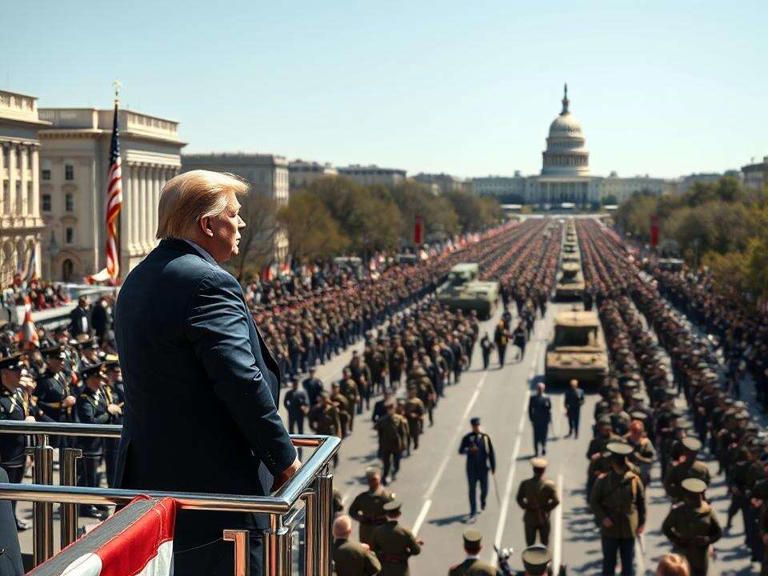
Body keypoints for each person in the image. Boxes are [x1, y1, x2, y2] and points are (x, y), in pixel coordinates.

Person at [114, 170, 300, 576]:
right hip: (212, 490)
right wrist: (284, 459)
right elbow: (241, 379)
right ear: (208, 224)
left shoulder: (138, 277)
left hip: (148, 480)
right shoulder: (208, 282)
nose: (242, 223)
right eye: (234, 214)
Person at [0, 353, 53, 530]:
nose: (19, 374)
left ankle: (12, 520)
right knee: (4, 494)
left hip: (19, 453)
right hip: (4, 455)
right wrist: (23, 423)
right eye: (14, 371)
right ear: (4, 375)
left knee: (14, 491)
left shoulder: (19, 394)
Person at [590, 442, 646, 576]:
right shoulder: (603, 480)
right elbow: (594, 502)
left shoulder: (634, 480)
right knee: (609, 564)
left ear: (613, 463)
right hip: (610, 528)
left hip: (628, 528)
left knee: (627, 566)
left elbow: (640, 502)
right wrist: (603, 518)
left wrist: (641, 523)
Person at [76, 362, 121, 520]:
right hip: (89, 444)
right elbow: (91, 422)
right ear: (89, 379)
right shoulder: (84, 399)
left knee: (94, 476)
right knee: (88, 476)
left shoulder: (98, 395)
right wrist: (108, 412)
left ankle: (93, 500)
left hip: (99, 444)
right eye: (96, 377)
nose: (100, 380)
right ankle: (85, 506)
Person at [661, 478, 721, 576]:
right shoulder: (678, 511)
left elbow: (718, 532)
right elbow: (666, 528)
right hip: (682, 555)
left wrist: (707, 539)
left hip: (700, 557)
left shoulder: (707, 511)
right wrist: (677, 539)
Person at [516, 458, 560, 547]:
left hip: (530, 517)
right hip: (544, 517)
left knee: (530, 546)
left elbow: (519, 498)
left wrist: (527, 506)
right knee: (545, 545)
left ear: (533, 470)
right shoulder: (549, 485)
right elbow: (556, 501)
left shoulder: (525, 484)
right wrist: (546, 508)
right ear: (544, 470)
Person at [459, 417, 496, 522]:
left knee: (485, 488)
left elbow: (491, 453)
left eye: (478, 425)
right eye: (475, 426)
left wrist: (493, 467)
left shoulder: (485, 438)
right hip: (471, 469)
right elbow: (461, 450)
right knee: (472, 490)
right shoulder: (467, 438)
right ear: (472, 426)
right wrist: (469, 450)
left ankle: (483, 499)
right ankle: (473, 511)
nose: (477, 427)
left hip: (483, 468)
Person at [371, 500, 421, 576]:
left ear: (386, 515)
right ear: (399, 514)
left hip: (384, 571)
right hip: (401, 571)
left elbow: (373, 549)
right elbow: (416, 551)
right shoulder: (405, 532)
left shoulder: (377, 531)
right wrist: (405, 554)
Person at [349, 467, 394, 545]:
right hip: (366, 530)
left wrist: (385, 517)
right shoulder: (362, 497)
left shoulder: (386, 496)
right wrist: (361, 518)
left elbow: (394, 512)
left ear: (379, 479)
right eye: (369, 479)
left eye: (374, 479)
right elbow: (352, 511)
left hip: (381, 528)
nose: (371, 482)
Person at [375, 403, 407, 485]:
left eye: (392, 409)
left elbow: (403, 432)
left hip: (396, 444)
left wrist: (403, 443)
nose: (390, 411)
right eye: (389, 409)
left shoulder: (399, 419)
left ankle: (394, 472)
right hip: (386, 444)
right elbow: (377, 429)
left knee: (396, 462)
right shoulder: (382, 420)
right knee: (386, 463)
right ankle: (385, 477)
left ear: (394, 409)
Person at [528, 383, 552, 457]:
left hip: (544, 421)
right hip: (536, 421)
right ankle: (536, 451)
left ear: (543, 389)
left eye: (541, 389)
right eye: (539, 389)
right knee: (536, 437)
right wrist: (531, 419)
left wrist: (549, 419)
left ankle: (544, 447)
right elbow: (530, 409)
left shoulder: (547, 398)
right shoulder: (533, 398)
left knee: (544, 435)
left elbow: (549, 409)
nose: (540, 390)